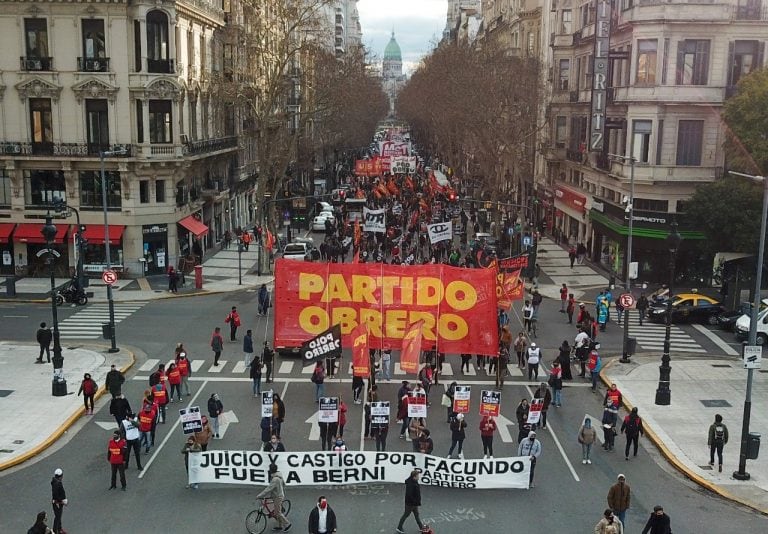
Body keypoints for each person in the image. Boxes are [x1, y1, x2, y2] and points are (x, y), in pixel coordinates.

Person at [256, 465, 291, 532]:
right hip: (278, 495)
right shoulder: (279, 475)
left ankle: (287, 524)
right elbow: (284, 484)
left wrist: (259, 496)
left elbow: (268, 489)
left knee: (278, 513)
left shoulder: (275, 479)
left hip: (277, 497)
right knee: (275, 513)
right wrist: (279, 489)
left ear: (271, 470)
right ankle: (279, 526)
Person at [50, 468, 67, 534]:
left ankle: (59, 529)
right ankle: (55, 531)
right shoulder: (58, 484)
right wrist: (62, 501)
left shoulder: (55, 482)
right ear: (61, 476)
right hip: (58, 503)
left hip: (57, 502)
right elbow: (56, 495)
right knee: (57, 517)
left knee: (58, 516)